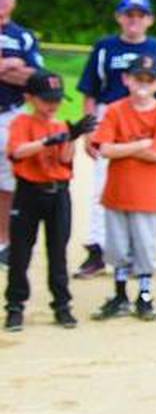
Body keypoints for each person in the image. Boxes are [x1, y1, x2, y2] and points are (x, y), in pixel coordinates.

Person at [74, 0, 156, 279]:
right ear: (119, 17)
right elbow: (91, 91)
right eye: (128, 14)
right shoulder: (105, 47)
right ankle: (98, 251)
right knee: (102, 188)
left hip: (149, 116)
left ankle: (136, 255)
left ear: (150, 20)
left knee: (142, 188)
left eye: (140, 15)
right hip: (111, 117)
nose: (134, 20)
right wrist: (89, 132)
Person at [88, 54, 156, 321]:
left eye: (150, 79)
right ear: (126, 79)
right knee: (116, 246)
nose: (143, 84)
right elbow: (105, 149)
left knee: (145, 246)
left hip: (149, 194)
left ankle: (144, 295)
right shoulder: (114, 109)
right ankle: (120, 294)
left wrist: (123, 147)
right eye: (138, 78)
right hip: (117, 192)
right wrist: (140, 144)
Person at [5, 71, 91, 330]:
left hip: (58, 194)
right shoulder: (22, 122)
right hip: (29, 192)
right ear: (29, 98)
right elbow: (17, 152)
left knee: (58, 252)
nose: (52, 105)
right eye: (46, 100)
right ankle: (15, 306)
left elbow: (65, 160)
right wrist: (47, 141)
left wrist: (72, 137)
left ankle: (62, 305)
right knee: (20, 252)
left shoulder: (61, 125)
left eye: (56, 99)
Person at [0, 0, 47, 265]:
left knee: (6, 182)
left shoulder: (22, 36)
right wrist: (8, 64)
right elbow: (19, 71)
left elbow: (35, 76)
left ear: (13, 0)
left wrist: (17, 70)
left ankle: (3, 242)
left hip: (10, 114)